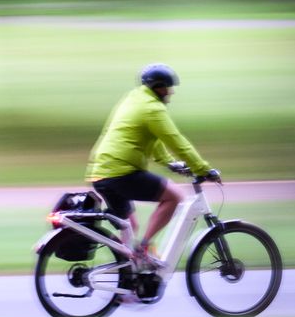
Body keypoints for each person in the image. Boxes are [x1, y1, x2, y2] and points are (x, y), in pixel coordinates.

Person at [86, 64, 220, 282]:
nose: (171, 92)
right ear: (158, 88)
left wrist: (169, 163)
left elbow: (150, 136)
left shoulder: (134, 98)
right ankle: (144, 248)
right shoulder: (153, 109)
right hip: (121, 173)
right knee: (174, 197)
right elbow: (177, 141)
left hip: (101, 174)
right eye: (168, 88)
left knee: (130, 227)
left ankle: (126, 284)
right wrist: (203, 169)